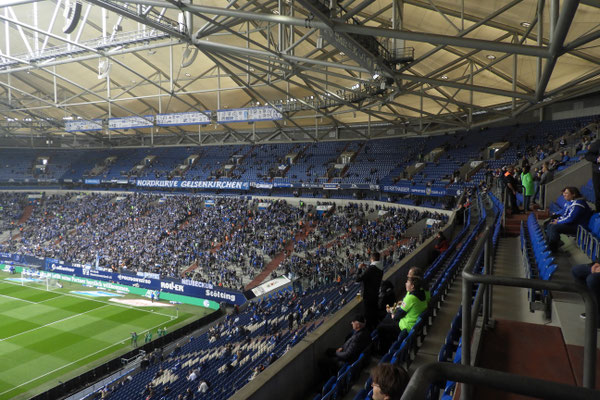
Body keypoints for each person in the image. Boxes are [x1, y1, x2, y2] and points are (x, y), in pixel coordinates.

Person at [545, 187, 593, 252]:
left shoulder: (578, 204)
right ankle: (550, 244)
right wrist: (557, 220)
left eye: (566, 193)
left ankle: (553, 249)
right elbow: (564, 214)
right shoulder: (570, 202)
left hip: (578, 227)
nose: (564, 195)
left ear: (573, 194)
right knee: (551, 223)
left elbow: (570, 218)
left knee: (554, 227)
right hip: (572, 224)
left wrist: (558, 222)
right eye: (564, 193)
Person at [356, 251, 384, 330]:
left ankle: (369, 331)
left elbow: (358, 279)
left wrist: (359, 269)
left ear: (371, 259)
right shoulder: (380, 268)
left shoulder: (371, 269)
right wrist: (367, 268)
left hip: (368, 296)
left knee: (368, 316)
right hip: (375, 294)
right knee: (374, 314)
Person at [585, 139, 600, 212]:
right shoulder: (597, 143)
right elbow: (588, 155)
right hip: (598, 173)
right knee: (598, 194)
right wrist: (597, 159)